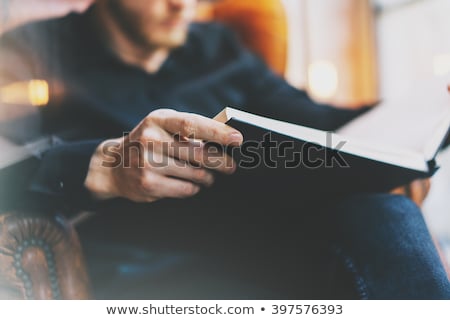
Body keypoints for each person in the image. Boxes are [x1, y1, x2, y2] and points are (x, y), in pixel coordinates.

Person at [0, 0, 448, 299]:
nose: (182, 5)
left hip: (263, 245)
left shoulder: (217, 46)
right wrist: (103, 164)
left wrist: (417, 118)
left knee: (383, 211)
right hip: (138, 268)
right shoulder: (29, 52)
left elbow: (317, 121)